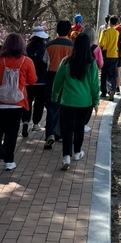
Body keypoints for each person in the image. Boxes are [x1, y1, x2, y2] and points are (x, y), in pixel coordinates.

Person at [0, 33, 37, 175]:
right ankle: (9, 161)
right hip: (16, 103)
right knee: (11, 133)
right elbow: (32, 80)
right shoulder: (27, 61)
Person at [51, 33, 99, 170]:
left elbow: (58, 81)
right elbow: (94, 84)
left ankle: (66, 156)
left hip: (67, 101)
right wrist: (96, 100)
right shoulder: (91, 63)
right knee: (79, 127)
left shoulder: (66, 61)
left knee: (67, 129)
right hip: (84, 102)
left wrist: (54, 96)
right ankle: (77, 152)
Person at [44, 20, 74, 149]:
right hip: (67, 79)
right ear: (69, 31)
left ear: (57, 30)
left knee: (52, 106)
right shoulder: (72, 46)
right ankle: (61, 133)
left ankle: (50, 134)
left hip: (51, 77)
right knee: (65, 107)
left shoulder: (49, 45)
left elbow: (45, 62)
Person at [22, 25, 50, 136]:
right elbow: (46, 62)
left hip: (28, 80)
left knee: (27, 102)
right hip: (42, 80)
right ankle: (36, 123)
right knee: (39, 103)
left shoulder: (27, 48)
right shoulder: (45, 48)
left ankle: (25, 121)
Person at [83, 26, 103, 131]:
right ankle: (84, 123)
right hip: (91, 75)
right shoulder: (96, 48)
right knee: (89, 100)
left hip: (78, 76)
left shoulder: (77, 47)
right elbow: (100, 63)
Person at [98, 16, 119, 101]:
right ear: (116, 23)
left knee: (104, 74)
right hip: (114, 54)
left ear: (109, 22)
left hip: (106, 54)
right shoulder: (117, 32)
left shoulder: (105, 31)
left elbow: (101, 43)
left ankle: (103, 91)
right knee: (113, 74)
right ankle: (112, 90)